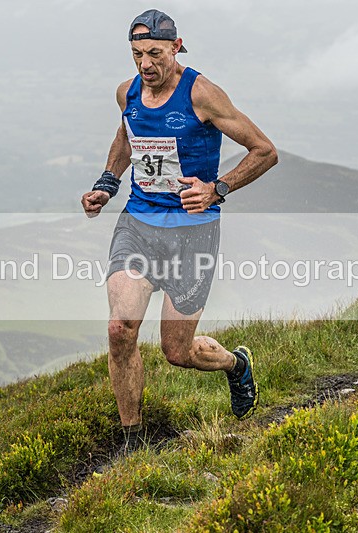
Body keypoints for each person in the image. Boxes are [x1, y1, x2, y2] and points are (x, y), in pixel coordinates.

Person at [81, 9, 277, 451]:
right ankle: (132, 438)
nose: (145, 65)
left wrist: (217, 188)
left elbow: (264, 151)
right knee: (120, 329)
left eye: (154, 54)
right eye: (136, 55)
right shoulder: (127, 92)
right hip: (138, 224)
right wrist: (106, 184)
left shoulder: (202, 94)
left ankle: (235, 365)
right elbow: (128, 136)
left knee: (177, 352)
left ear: (176, 47)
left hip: (193, 234)